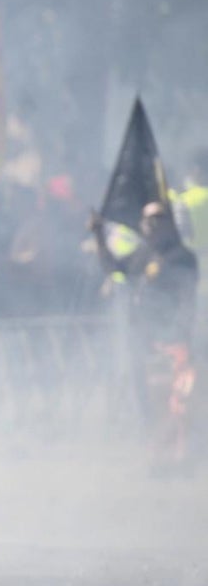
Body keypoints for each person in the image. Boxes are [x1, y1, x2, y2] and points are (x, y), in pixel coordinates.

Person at [92, 201, 198, 471]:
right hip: (147, 340)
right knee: (151, 400)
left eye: (157, 220)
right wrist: (98, 236)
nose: (150, 226)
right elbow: (115, 269)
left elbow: (184, 299)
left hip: (173, 340)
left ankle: (181, 457)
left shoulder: (182, 258)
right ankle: (158, 456)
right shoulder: (143, 255)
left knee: (178, 401)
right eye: (147, 220)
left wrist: (178, 333)